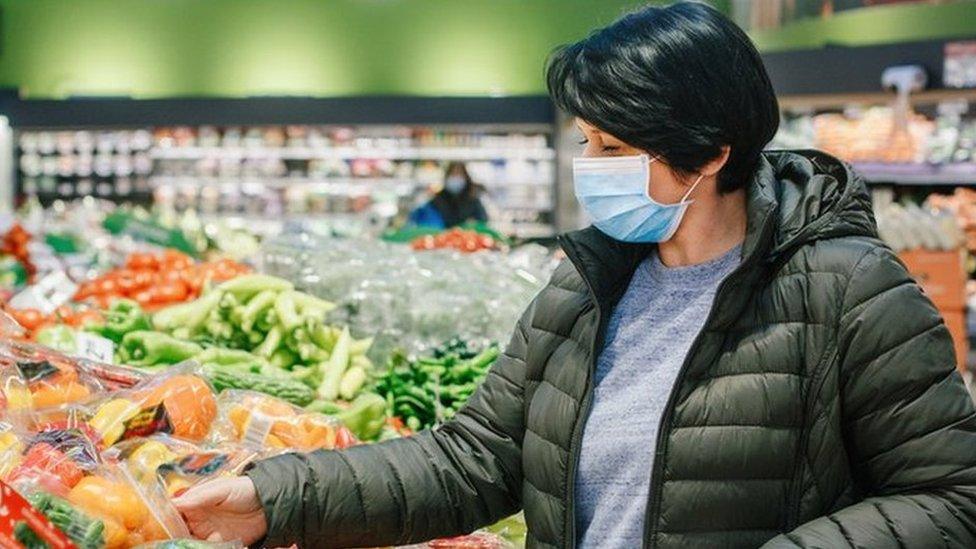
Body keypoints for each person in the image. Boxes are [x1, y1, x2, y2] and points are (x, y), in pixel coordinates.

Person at [175, 3, 976, 548]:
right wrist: (279, 497)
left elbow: (950, 496)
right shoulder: (586, 286)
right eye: (585, 141)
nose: (588, 167)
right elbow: (474, 458)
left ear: (711, 150)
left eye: (614, 148)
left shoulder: (850, 290)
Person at [409, 161, 488, 228]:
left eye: (459, 175)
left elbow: (483, 220)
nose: (456, 178)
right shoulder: (438, 199)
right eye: (453, 174)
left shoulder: (473, 199)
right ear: (447, 177)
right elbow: (420, 217)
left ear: (466, 177)